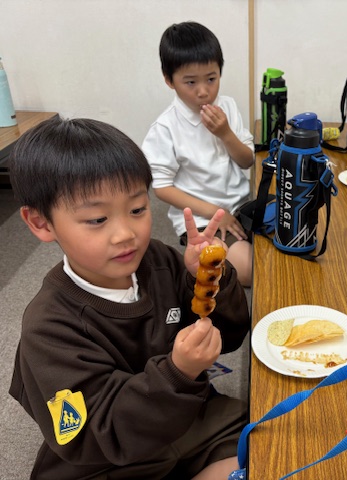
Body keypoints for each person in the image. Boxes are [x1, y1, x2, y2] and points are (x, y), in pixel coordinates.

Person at [8, 117, 250, 480]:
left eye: (137, 209)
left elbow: (229, 337)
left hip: (186, 417)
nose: (125, 234)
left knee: (268, 442)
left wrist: (205, 278)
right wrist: (178, 373)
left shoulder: (160, 262)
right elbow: (94, 433)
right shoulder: (48, 328)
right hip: (110, 455)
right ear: (41, 223)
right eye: (97, 219)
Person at [142, 21, 254, 287]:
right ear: (169, 80)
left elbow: (247, 160)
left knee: (287, 242)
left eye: (211, 79)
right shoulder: (165, 127)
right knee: (249, 271)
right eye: (190, 82)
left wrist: (226, 133)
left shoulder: (227, 106)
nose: (203, 91)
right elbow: (162, 188)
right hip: (203, 219)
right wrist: (215, 211)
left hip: (241, 206)